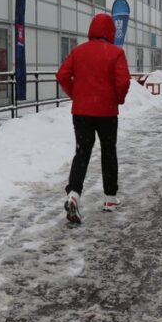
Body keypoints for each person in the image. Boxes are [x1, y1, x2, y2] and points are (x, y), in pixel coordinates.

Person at [56, 13, 131, 223]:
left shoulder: (78, 51)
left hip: (81, 113)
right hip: (107, 112)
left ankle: (74, 194)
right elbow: (123, 82)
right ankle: (109, 198)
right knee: (108, 151)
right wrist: (118, 99)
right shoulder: (116, 53)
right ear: (110, 32)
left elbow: (62, 74)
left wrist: (76, 94)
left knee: (82, 152)